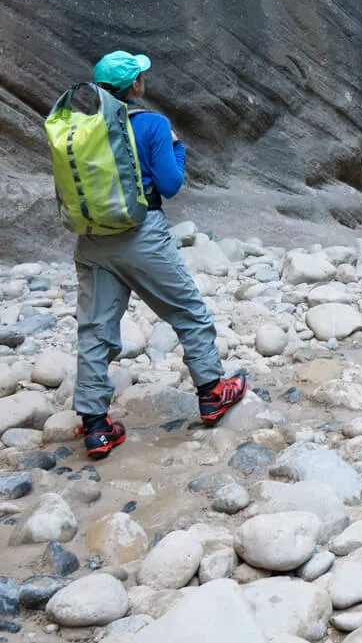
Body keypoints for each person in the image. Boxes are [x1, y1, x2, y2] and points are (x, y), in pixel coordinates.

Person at [73, 50, 247, 458]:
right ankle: (211, 393)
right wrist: (178, 147)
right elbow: (170, 185)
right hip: (141, 234)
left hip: (93, 240)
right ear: (135, 86)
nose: (143, 81)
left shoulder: (79, 129)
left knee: (95, 330)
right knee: (188, 311)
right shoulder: (152, 124)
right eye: (140, 77)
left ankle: (96, 428)